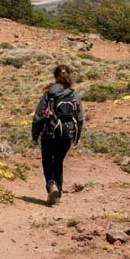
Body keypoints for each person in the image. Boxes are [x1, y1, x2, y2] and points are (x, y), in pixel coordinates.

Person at [31, 64, 85, 206]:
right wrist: (77, 136)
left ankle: (51, 185)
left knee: (47, 161)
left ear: (55, 77)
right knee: (58, 162)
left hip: (49, 134)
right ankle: (58, 196)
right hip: (67, 135)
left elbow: (39, 116)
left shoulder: (49, 94)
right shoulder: (74, 94)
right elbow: (79, 118)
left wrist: (35, 135)